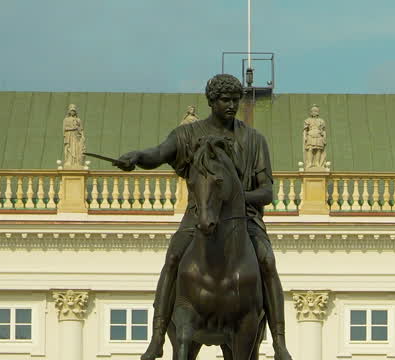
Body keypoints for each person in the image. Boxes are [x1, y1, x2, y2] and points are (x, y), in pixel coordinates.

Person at [115, 74, 292, 360]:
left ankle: (279, 342)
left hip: (243, 220)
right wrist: (136, 156)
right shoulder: (188, 135)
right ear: (211, 102)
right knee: (173, 258)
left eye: (235, 100)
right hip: (198, 216)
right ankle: (158, 336)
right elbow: (159, 154)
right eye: (225, 100)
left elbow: (267, 192)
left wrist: (234, 200)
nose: (231, 105)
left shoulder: (254, 140)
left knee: (267, 262)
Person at [302, 105, 326, 169]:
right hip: (310, 135)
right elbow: (305, 130)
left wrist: (324, 138)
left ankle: (317, 163)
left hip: (318, 135)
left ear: (318, 112)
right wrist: (305, 137)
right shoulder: (308, 120)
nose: (314, 112)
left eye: (315, 111)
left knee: (318, 149)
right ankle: (310, 163)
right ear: (311, 112)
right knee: (310, 149)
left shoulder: (321, 121)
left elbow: (323, 130)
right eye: (313, 111)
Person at [62, 104, 85, 169]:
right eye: (71, 111)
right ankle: (69, 161)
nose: (72, 112)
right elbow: (65, 129)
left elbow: (81, 129)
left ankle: (76, 162)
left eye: (74, 111)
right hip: (69, 136)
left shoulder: (78, 120)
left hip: (76, 136)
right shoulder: (66, 119)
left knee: (77, 148)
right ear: (69, 112)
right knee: (70, 148)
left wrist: (83, 136)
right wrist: (73, 128)